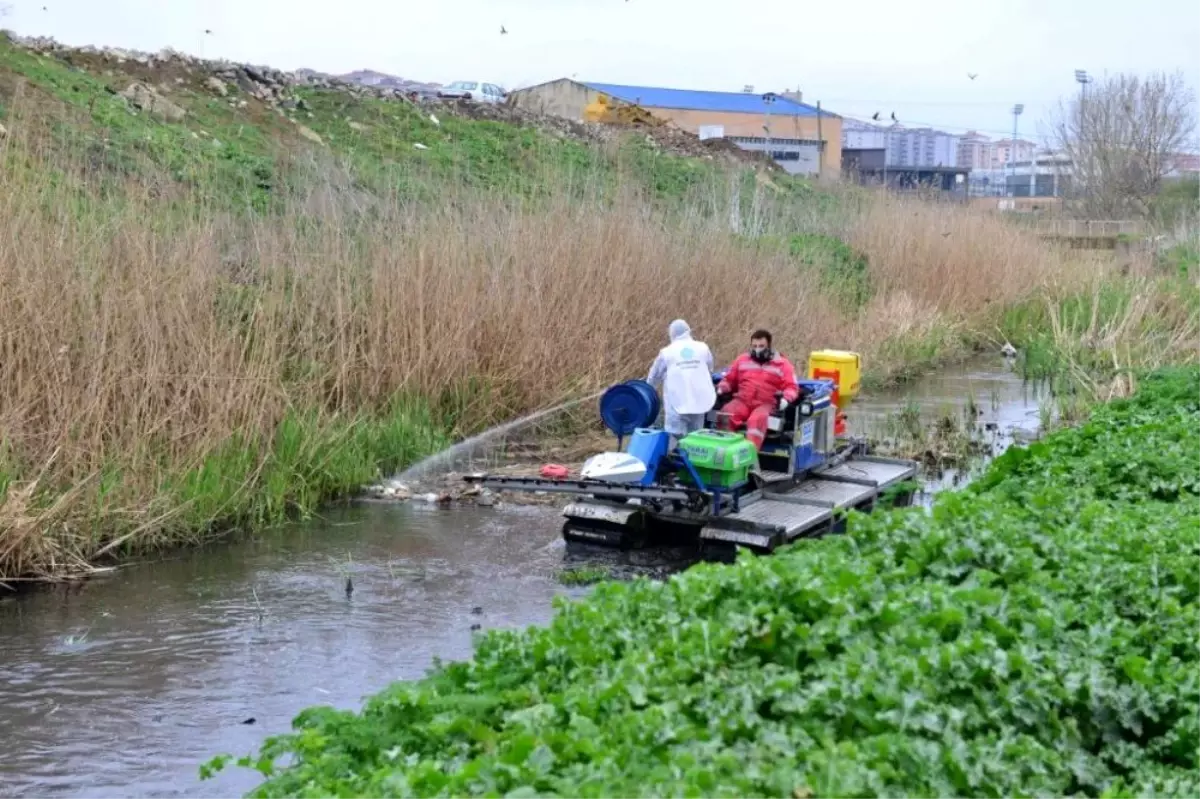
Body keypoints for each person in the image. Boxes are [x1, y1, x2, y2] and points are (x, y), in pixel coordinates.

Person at [715, 329, 799, 451]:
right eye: (754, 346)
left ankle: (749, 456)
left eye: (761, 346)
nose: (757, 349)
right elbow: (730, 380)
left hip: (766, 403)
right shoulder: (742, 360)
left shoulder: (783, 364)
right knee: (725, 414)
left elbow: (792, 387)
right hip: (743, 400)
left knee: (756, 421)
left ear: (769, 346)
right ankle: (725, 451)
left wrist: (786, 399)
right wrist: (721, 388)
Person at [646, 319, 716, 442]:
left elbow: (653, 377)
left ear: (671, 334)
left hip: (676, 405)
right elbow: (709, 369)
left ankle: (675, 458)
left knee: (674, 439)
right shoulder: (703, 348)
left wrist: (646, 392)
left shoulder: (667, 352)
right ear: (688, 331)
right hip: (699, 402)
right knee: (695, 439)